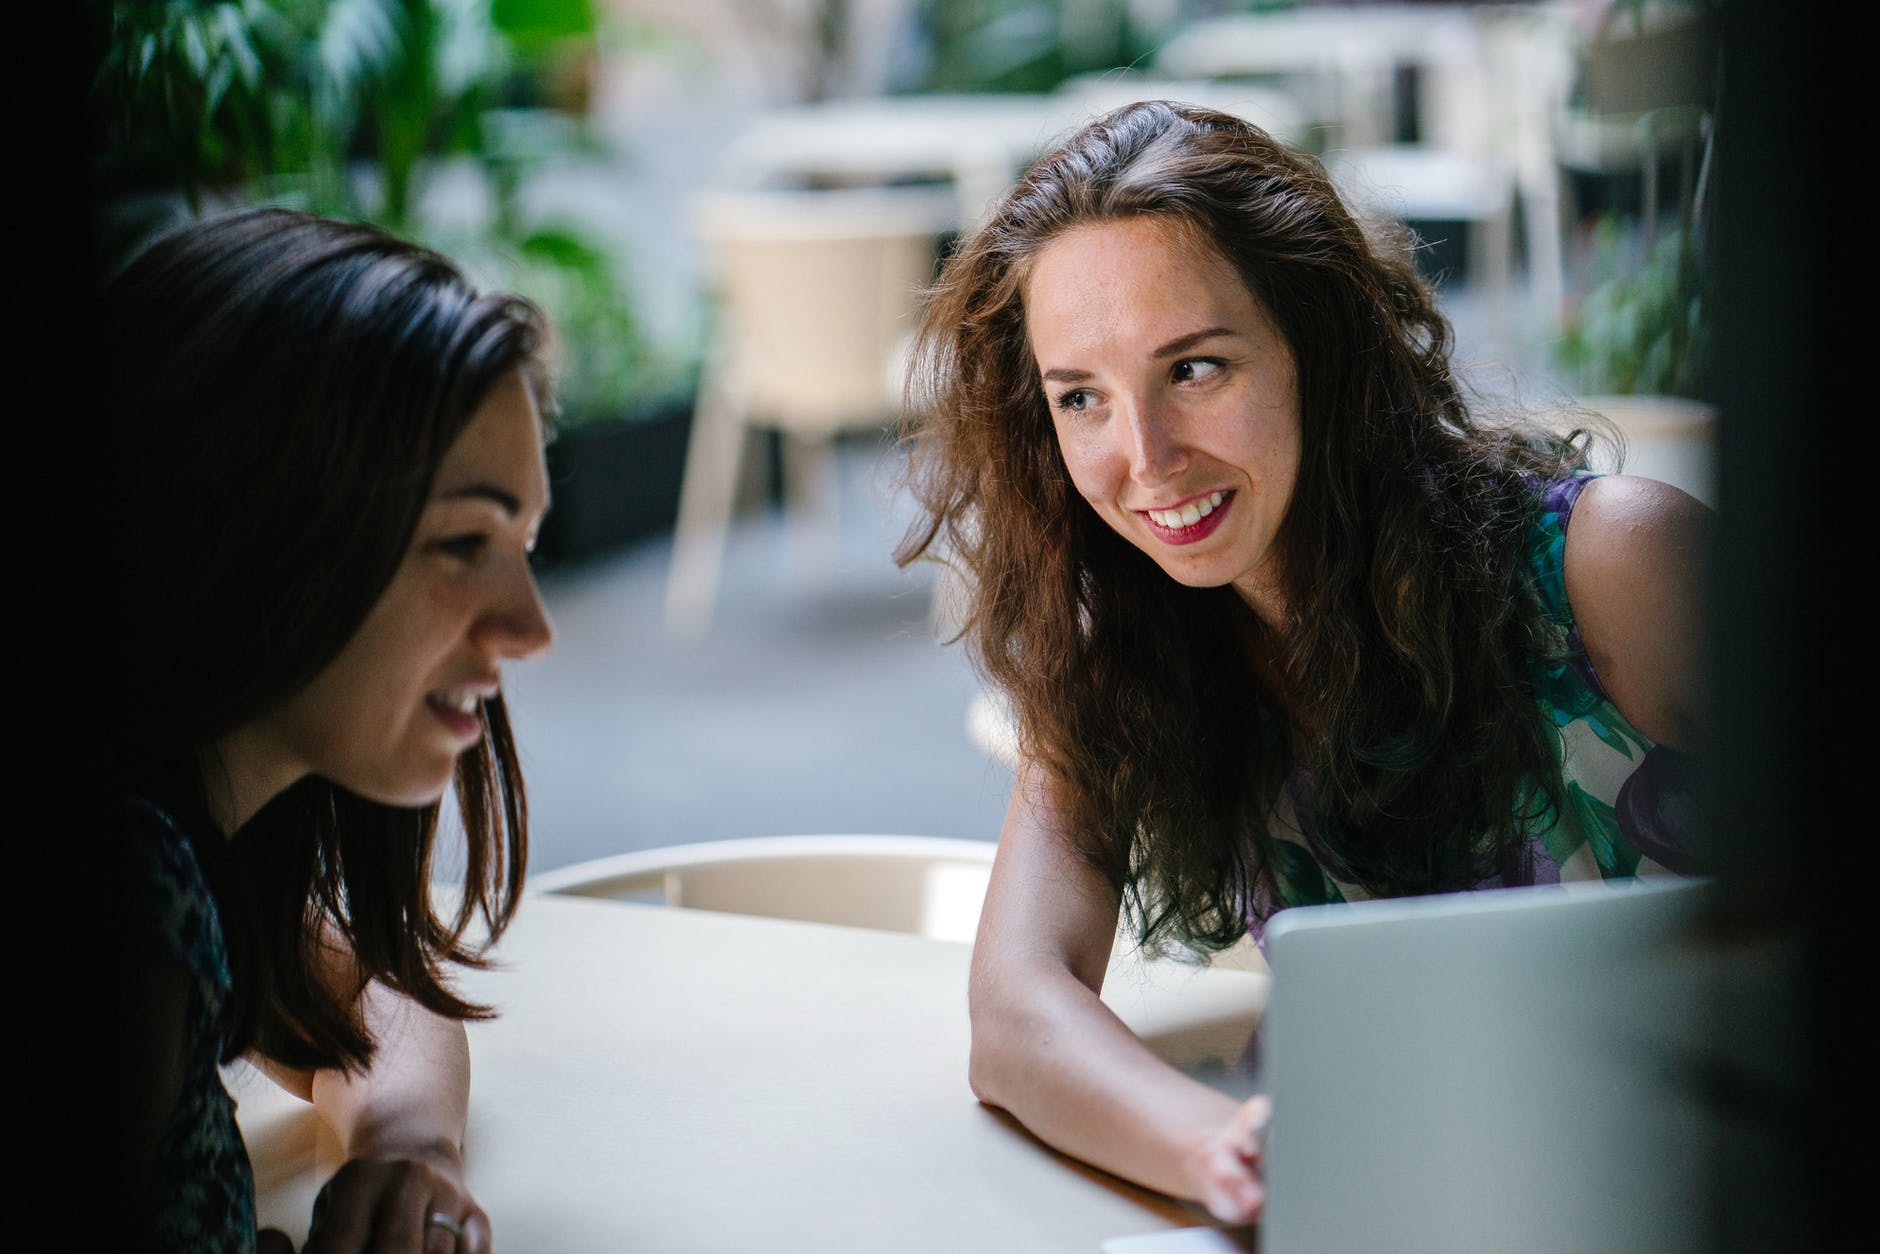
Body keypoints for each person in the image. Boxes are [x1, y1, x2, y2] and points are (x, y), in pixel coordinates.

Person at [894, 101, 1712, 1223]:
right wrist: (1224, 1149)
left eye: (1193, 368)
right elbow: (1014, 1010)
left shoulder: (1612, 566)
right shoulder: (1126, 657)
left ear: (1316, 347)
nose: (1144, 459)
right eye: (1078, 396)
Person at [88, 207, 556, 1251]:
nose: (531, 628)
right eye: (462, 542)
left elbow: (366, 999)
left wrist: (407, 1157)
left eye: (523, 542)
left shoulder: (201, 861)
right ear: (264, 527)